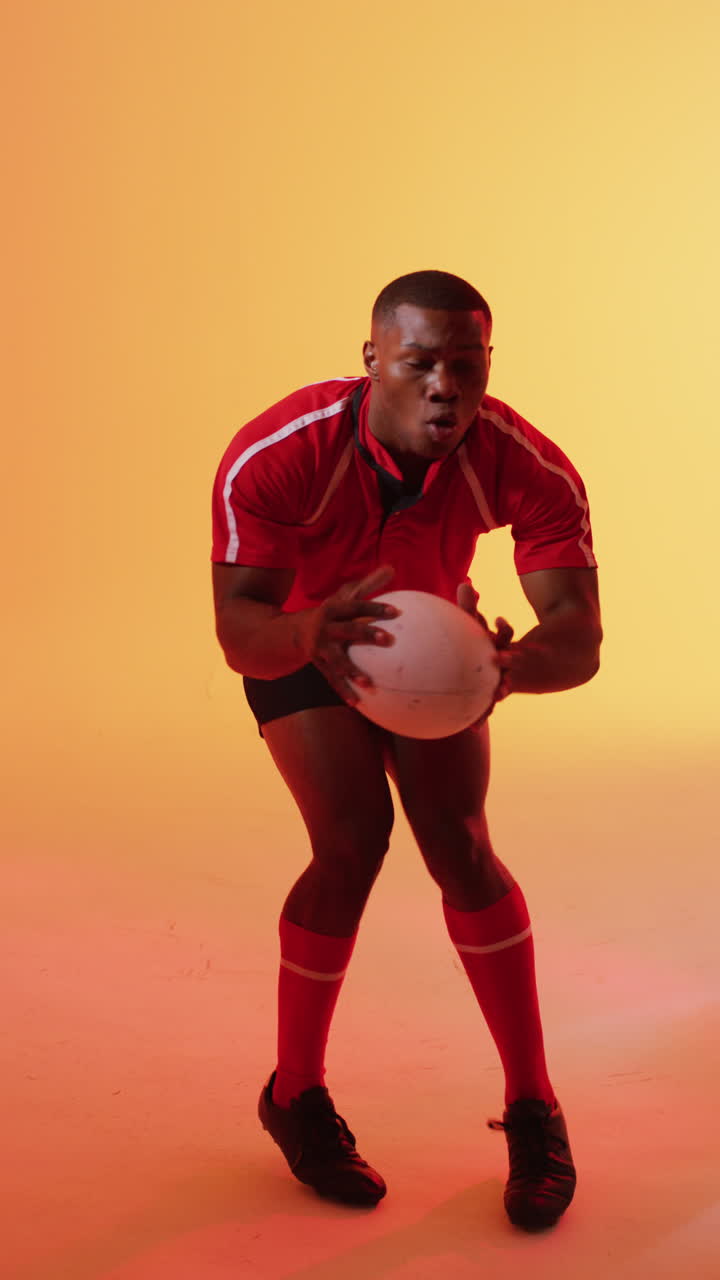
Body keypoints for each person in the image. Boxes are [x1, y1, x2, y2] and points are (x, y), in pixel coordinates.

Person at [211, 270, 602, 1230]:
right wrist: (309, 633)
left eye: (466, 366)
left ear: (488, 367)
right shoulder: (278, 453)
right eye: (420, 362)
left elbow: (580, 638)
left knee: (461, 847)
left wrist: (507, 667)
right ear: (371, 360)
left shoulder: (527, 463)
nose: (445, 388)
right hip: (306, 639)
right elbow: (239, 628)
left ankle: (534, 1106)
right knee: (352, 843)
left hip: (436, 655)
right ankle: (295, 1093)